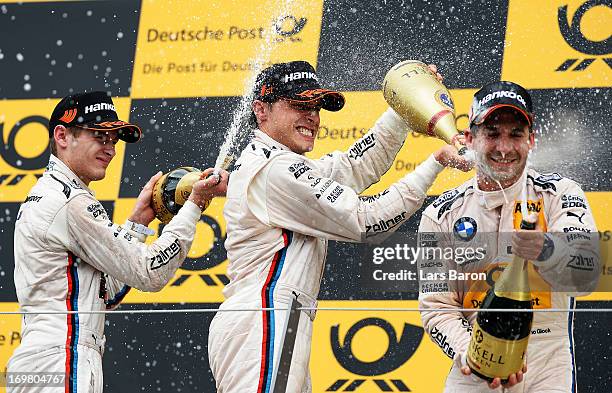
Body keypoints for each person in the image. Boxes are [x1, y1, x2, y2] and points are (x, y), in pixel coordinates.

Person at [207, 61, 472, 392]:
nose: (313, 117)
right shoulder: (274, 171)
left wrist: (405, 107)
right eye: (299, 105)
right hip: (264, 318)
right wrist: (434, 164)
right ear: (261, 110)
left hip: (268, 317)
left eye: (316, 107)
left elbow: (355, 166)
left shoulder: (279, 163)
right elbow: (366, 221)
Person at [7, 91, 227, 393]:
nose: (110, 149)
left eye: (114, 139)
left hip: (41, 362)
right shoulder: (69, 202)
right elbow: (150, 272)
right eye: (100, 135)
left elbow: (106, 293)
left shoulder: (50, 193)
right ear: (62, 135)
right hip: (63, 360)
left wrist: (137, 224)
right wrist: (194, 206)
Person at [417, 81, 600, 392]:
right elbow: (437, 307)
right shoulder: (439, 214)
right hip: (473, 361)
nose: (504, 147)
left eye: (516, 134)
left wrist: (549, 250)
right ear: (470, 138)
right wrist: (473, 354)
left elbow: (587, 276)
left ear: (532, 139)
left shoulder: (560, 194)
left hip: (546, 363)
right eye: (492, 134)